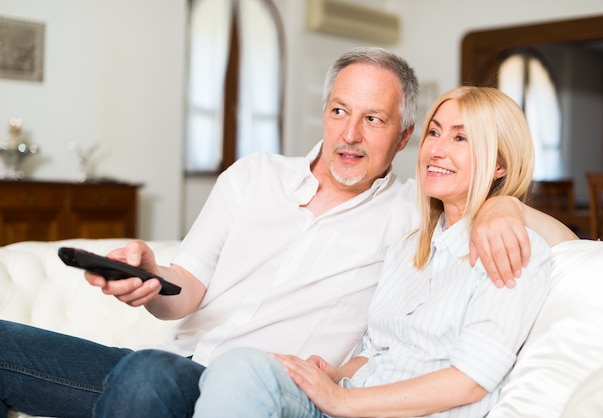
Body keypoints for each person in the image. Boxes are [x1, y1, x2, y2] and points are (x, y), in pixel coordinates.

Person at [0, 48, 574, 418]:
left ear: (401, 139)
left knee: (144, 376)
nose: (348, 135)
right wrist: (150, 276)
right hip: (174, 369)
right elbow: (187, 288)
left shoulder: (409, 212)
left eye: (373, 120)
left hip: (262, 390)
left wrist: (504, 206)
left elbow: (550, 235)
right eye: (338, 112)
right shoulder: (253, 176)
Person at [192, 85, 553, 417]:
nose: (436, 149)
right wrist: (333, 374)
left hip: (368, 409)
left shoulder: (510, 248)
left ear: (500, 164)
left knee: (240, 369)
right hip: (348, 404)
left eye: (460, 137)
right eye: (434, 132)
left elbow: (470, 380)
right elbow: (373, 353)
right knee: (237, 365)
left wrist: (342, 400)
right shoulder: (408, 250)